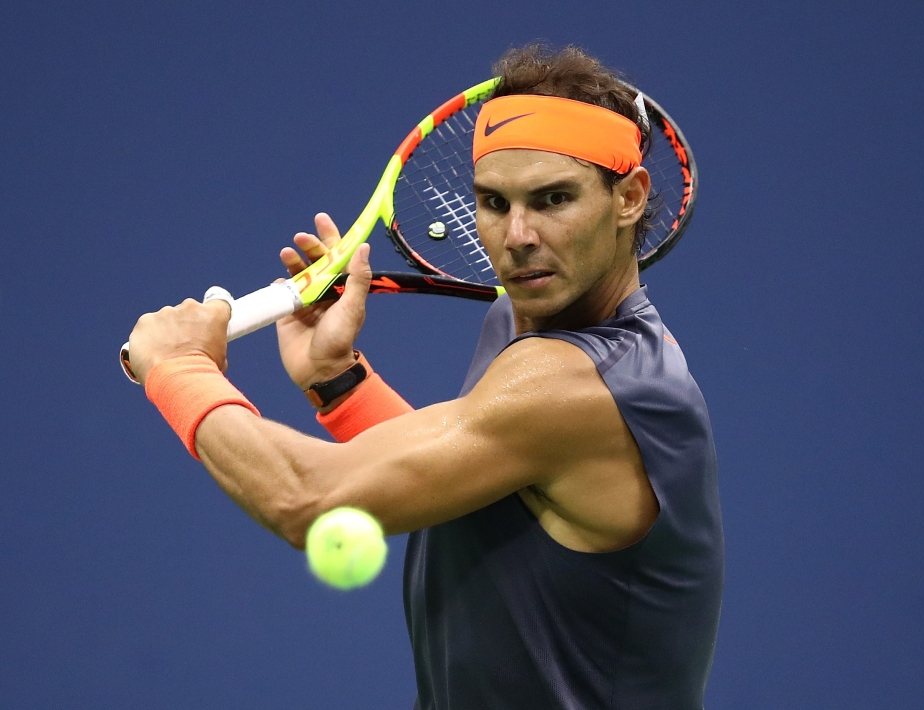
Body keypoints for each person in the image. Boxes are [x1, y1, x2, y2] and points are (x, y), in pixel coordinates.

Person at [127, 45, 723, 710]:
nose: (517, 235)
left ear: (628, 198)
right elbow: (476, 476)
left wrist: (180, 368)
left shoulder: (579, 382)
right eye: (493, 202)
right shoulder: (525, 320)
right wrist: (338, 380)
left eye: (553, 199)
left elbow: (309, 500)